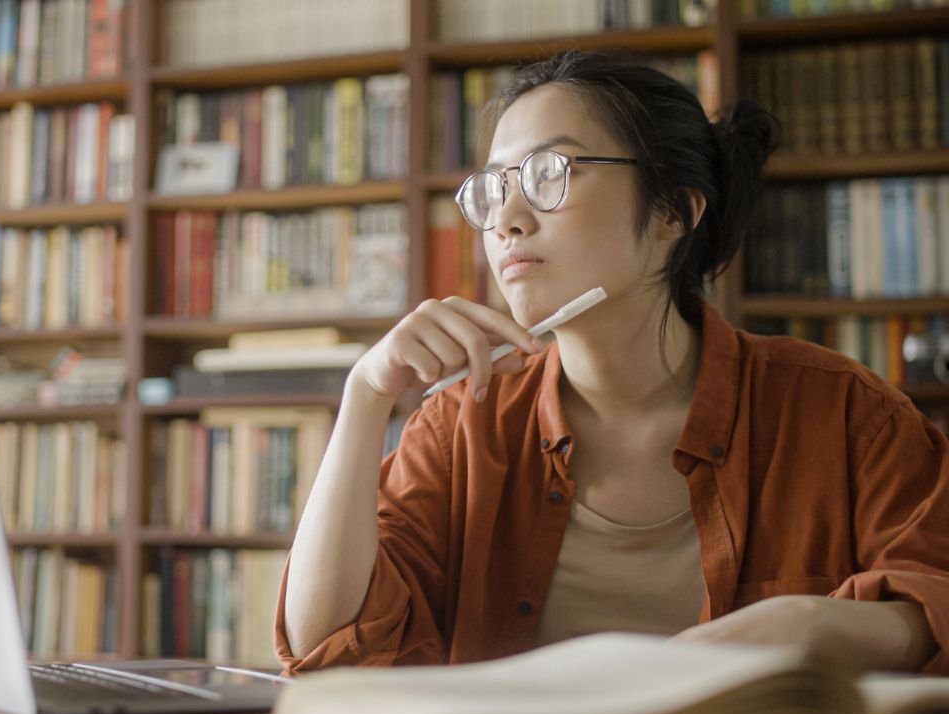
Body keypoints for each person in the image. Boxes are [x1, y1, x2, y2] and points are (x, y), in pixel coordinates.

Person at [274, 50, 949, 675]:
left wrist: (810, 625)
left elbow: (936, 594)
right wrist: (365, 395)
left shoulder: (839, 411)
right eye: (494, 188)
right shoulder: (460, 429)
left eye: (548, 175)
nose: (505, 218)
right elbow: (325, 649)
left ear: (671, 214)